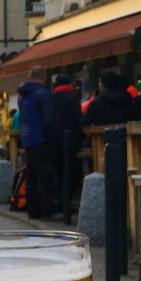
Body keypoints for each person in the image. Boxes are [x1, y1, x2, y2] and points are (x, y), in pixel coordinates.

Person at [17, 65, 55, 219]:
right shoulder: (43, 94)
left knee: (31, 176)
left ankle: (32, 210)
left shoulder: (22, 96)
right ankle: (46, 210)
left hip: (27, 138)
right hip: (41, 138)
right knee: (45, 176)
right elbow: (48, 119)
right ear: (44, 77)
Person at [51, 74, 83, 209]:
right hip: (71, 140)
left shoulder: (52, 98)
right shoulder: (73, 97)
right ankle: (66, 203)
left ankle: (58, 201)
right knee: (73, 172)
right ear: (69, 84)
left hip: (54, 140)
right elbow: (78, 118)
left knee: (58, 171)